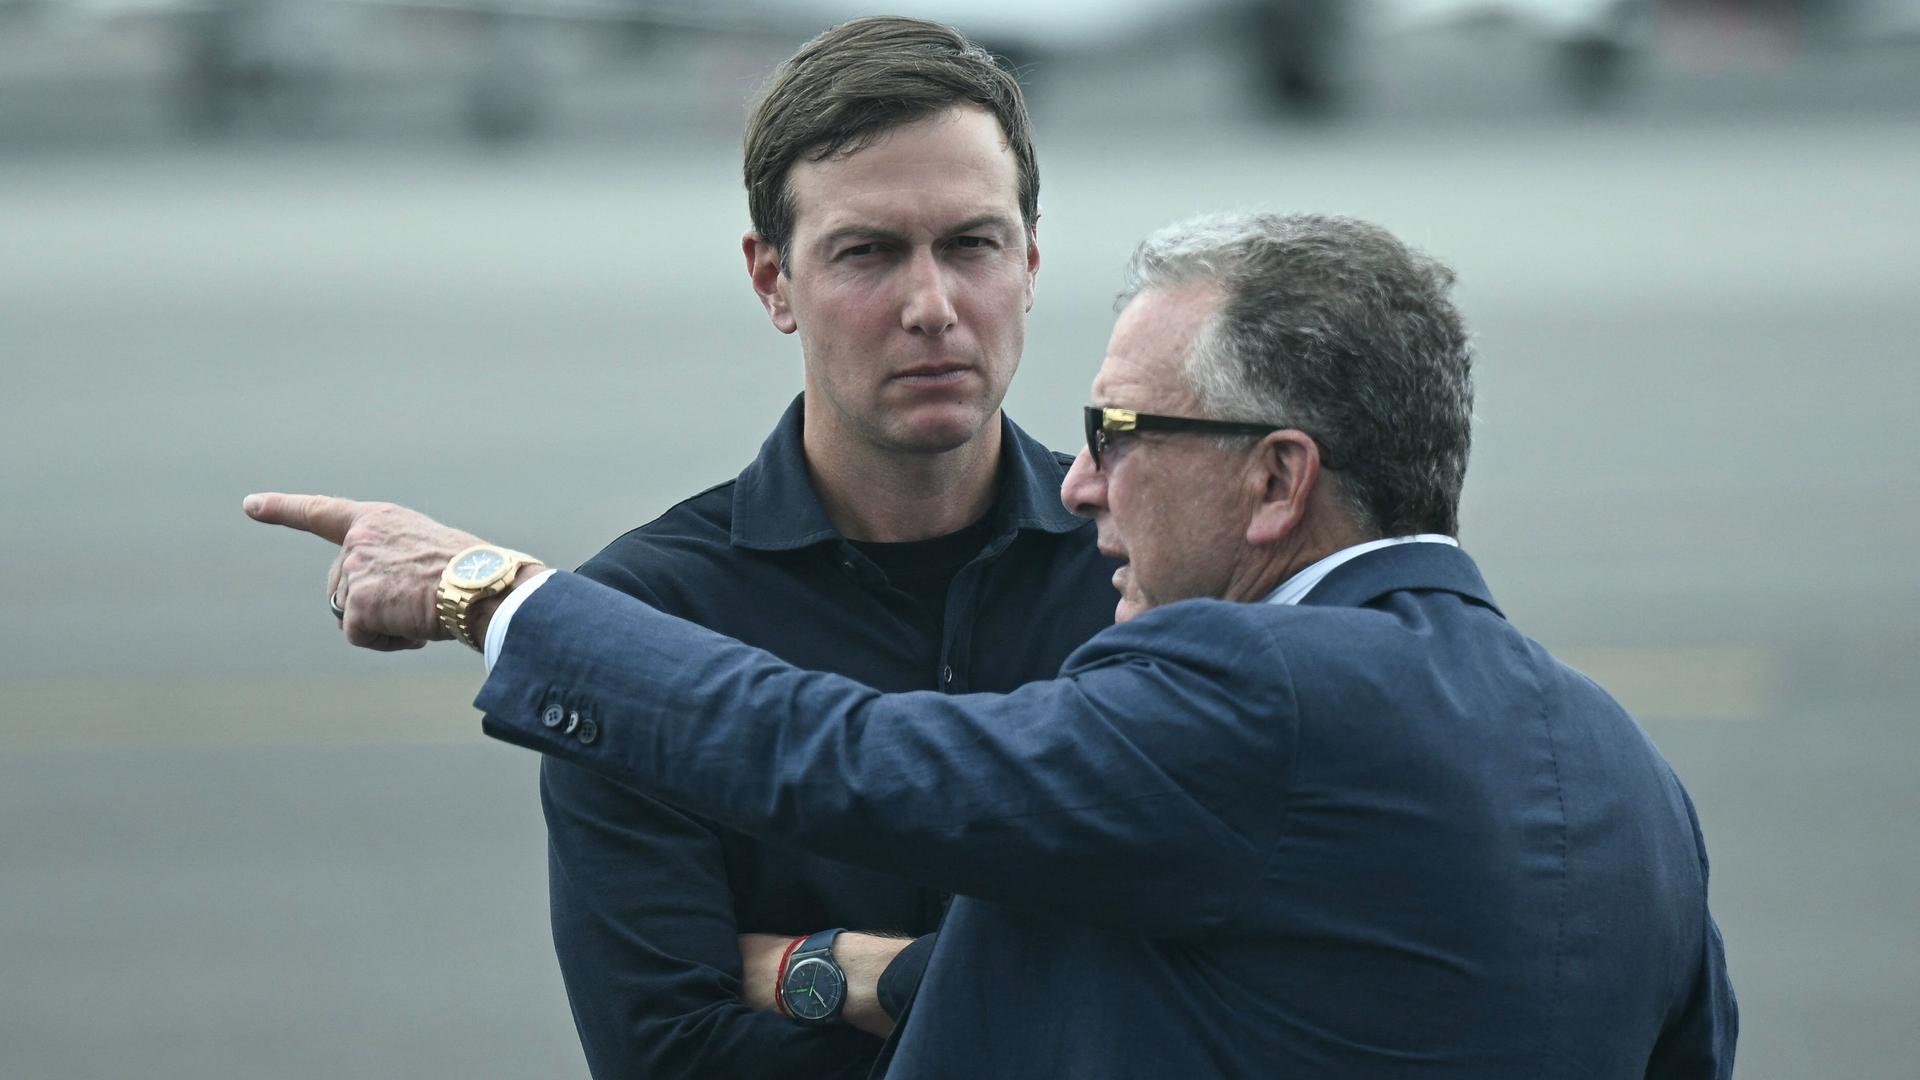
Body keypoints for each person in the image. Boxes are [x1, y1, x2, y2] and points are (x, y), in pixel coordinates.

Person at [246, 210, 1738, 1077]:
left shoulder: (1252, 695)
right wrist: (853, 973)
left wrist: (493, 596)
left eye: (1123, 434)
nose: (1082, 483)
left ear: (1278, 481)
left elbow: (845, 756)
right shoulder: (1625, 771)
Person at [541, 16, 1114, 1080]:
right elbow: (668, 1054)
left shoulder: (1145, 574)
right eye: (868, 253)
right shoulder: (644, 619)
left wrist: (842, 972)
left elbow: (1249, 985)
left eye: (972, 245)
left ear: (1030, 264)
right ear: (772, 281)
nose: (932, 306)